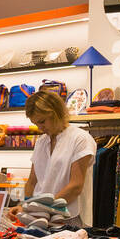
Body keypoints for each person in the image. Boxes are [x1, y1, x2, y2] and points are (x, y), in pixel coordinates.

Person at [24, 89, 96, 224]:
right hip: (42, 218)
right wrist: (26, 206)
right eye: (36, 124)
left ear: (55, 113)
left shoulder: (80, 139)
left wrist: (43, 208)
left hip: (71, 217)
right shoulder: (41, 142)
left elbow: (76, 186)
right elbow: (32, 181)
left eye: (42, 121)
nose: (40, 128)